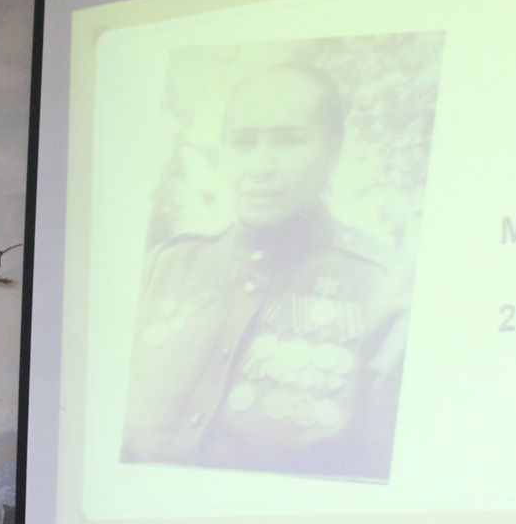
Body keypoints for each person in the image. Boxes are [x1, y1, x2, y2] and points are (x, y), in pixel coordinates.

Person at [119, 64, 408, 481]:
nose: (259, 166)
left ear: (333, 151)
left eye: (287, 141)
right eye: (242, 142)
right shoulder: (165, 269)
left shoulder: (384, 290)